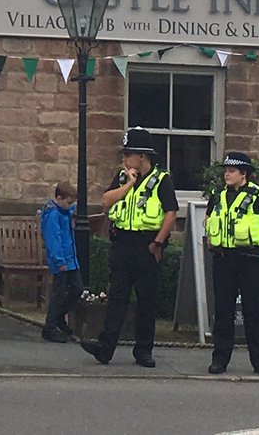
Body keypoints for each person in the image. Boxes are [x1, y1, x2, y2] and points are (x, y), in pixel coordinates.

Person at [81, 127, 177, 368]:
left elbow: (171, 213)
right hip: (122, 242)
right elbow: (106, 201)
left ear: (142, 156)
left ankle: (143, 351)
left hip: (147, 245)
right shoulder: (123, 177)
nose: (124, 159)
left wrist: (158, 243)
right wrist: (129, 185)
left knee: (146, 300)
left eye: (128, 154)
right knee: (117, 298)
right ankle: (105, 348)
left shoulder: (162, 180)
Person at [204, 152, 259, 376]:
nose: (227, 174)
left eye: (232, 171)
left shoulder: (258, 195)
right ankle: (220, 359)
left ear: (244, 174)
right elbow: (208, 218)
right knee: (223, 312)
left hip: (251, 259)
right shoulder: (218, 196)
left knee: (253, 311)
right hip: (224, 259)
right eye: (225, 170)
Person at [40, 182, 81, 344]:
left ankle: (57, 319)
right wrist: (59, 260)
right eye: (68, 202)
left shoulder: (64, 212)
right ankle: (50, 327)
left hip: (70, 259)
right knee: (59, 293)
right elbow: (53, 240)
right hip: (62, 260)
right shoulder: (53, 215)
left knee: (76, 289)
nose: (71, 205)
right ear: (59, 198)